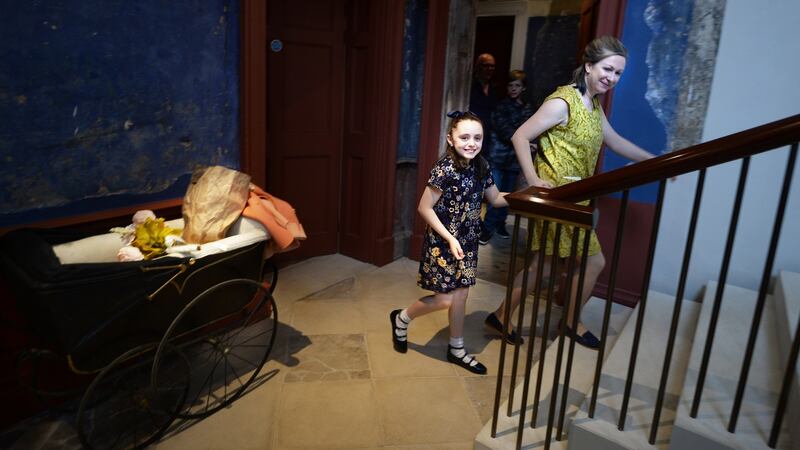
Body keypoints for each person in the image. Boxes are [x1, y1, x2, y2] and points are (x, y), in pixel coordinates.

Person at [486, 36, 659, 350]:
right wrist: (533, 178)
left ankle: (502, 315)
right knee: (592, 263)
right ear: (589, 66)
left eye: (618, 73)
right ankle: (570, 321)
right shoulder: (562, 101)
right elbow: (520, 136)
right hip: (557, 199)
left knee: (544, 266)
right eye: (607, 69)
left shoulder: (592, 103)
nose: (612, 77)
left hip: (576, 197)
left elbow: (615, 141)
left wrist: (653, 161)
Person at [390, 111, 509, 374]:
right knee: (446, 299)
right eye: (464, 137)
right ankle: (401, 318)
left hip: (468, 244)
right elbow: (424, 207)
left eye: (477, 137)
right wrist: (450, 238)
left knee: (462, 295)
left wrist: (528, 196)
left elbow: (496, 198)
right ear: (450, 139)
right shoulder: (445, 169)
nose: (471, 143)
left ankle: (456, 348)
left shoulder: (482, 166)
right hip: (443, 244)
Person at [479, 70, 535, 245]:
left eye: (517, 85)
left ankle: (500, 224)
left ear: (523, 88)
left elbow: (530, 129)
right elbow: (506, 131)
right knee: (494, 195)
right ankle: (487, 228)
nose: (513, 89)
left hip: (514, 160)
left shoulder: (528, 107)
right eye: (510, 85)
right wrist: (526, 142)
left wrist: (527, 140)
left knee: (508, 195)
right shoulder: (501, 106)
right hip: (497, 157)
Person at [469, 53, 499, 158]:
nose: (489, 69)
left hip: (489, 137)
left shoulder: (494, 88)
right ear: (478, 66)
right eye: (486, 65)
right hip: (473, 132)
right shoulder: (470, 85)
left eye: (492, 66)